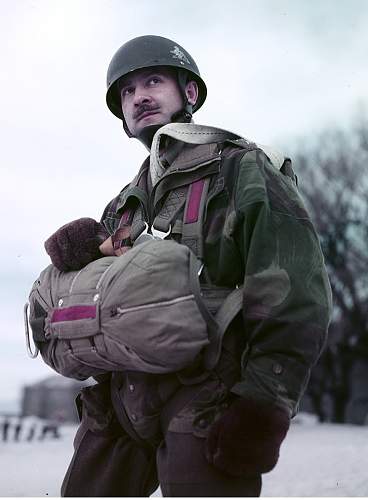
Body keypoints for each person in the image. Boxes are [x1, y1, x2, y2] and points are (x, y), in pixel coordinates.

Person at [44, 35, 332, 497]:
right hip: (122, 400)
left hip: (207, 397)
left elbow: (296, 294)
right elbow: (97, 292)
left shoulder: (243, 168)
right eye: (127, 91)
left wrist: (263, 405)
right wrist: (79, 249)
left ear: (190, 93)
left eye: (152, 81)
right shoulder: (123, 204)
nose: (139, 96)